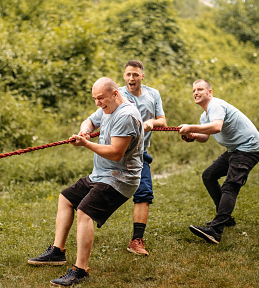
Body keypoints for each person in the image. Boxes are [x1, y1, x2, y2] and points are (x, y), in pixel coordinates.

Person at [28, 77, 144, 286]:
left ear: (115, 94)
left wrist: (85, 144)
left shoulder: (126, 115)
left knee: (85, 211)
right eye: (95, 99)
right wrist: (85, 130)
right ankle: (57, 252)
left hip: (121, 178)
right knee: (66, 198)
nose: (98, 103)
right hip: (101, 175)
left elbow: (116, 153)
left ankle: (80, 270)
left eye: (101, 98)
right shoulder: (108, 107)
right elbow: (91, 120)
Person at [179, 79, 259, 244]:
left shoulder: (215, 105)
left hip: (249, 148)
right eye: (194, 90)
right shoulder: (205, 115)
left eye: (200, 89)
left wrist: (191, 127)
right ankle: (226, 219)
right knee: (209, 175)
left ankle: (216, 231)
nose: (196, 92)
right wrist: (193, 136)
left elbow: (217, 127)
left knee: (230, 185)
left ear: (210, 92)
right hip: (235, 149)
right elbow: (205, 137)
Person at [119, 60, 166, 256]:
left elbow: (163, 121)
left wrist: (150, 123)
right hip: (117, 152)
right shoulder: (118, 94)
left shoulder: (153, 94)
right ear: (124, 76)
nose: (132, 78)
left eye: (135, 75)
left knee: (144, 193)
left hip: (139, 154)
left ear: (142, 76)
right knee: (102, 191)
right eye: (129, 74)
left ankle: (136, 240)